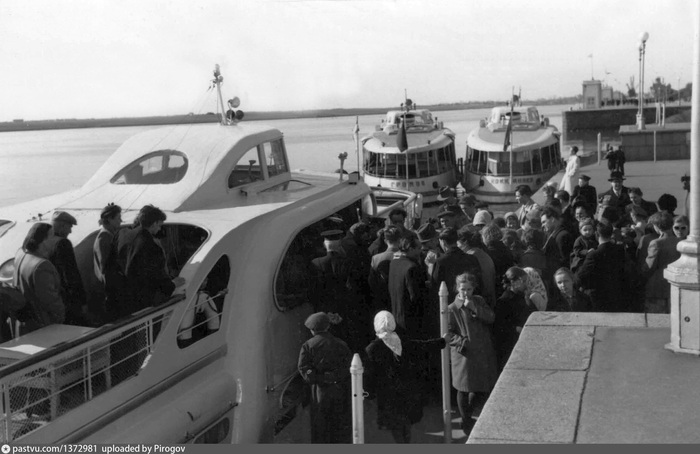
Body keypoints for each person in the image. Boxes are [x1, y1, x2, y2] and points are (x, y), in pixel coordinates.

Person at [364, 310, 445, 443]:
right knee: (405, 425)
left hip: (388, 395)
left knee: (396, 426)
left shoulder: (372, 349)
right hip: (406, 392)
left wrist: (368, 393)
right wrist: (442, 341)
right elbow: (423, 346)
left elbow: (369, 375)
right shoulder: (402, 341)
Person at [448, 273, 497, 438]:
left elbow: (491, 317)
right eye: (463, 289)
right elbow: (448, 333)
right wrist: (463, 342)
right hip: (465, 355)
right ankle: (466, 419)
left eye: (469, 289)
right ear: (457, 288)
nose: (466, 293)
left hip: (482, 352)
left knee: (479, 387)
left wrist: (475, 309)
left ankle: (468, 415)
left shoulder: (479, 301)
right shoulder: (452, 308)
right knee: (464, 387)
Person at [117, 205, 186, 317]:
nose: (159, 229)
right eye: (159, 225)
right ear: (154, 223)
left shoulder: (122, 234)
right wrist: (173, 284)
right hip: (143, 302)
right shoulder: (151, 246)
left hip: (123, 297)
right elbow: (157, 275)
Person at [298, 312, 352, 444]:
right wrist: (334, 376)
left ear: (312, 330)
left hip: (319, 391)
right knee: (338, 423)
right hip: (339, 389)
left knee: (320, 426)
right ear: (328, 327)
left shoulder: (308, 346)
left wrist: (317, 377)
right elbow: (348, 367)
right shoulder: (341, 344)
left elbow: (304, 368)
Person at [13, 223, 65, 334]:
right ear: (43, 240)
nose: (55, 239)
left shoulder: (21, 254)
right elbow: (50, 301)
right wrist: (61, 319)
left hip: (26, 324)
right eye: (52, 236)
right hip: (45, 327)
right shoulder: (42, 266)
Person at [575, 222, 628, 312]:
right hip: (617, 293)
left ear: (596, 234)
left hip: (599, 297)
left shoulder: (594, 254)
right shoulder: (620, 249)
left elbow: (581, 275)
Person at [493, 267, 538, 372]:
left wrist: (528, 302)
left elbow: (535, 315)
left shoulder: (524, 297)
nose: (526, 284)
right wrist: (515, 329)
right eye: (524, 281)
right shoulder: (504, 301)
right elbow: (499, 327)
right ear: (514, 282)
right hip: (511, 346)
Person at [47, 211, 86, 325]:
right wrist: (82, 301)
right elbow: (71, 275)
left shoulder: (46, 242)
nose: (70, 231)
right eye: (69, 227)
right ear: (62, 226)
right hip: (68, 299)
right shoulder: (63, 243)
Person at [388, 237, 428, 337]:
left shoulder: (394, 263)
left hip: (396, 316)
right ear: (411, 249)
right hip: (410, 319)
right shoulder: (412, 267)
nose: (421, 250)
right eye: (418, 248)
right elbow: (416, 296)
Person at [642, 212, 681, 313]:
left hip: (657, 287)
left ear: (657, 226)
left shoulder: (656, 243)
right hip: (674, 285)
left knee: (656, 318)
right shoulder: (679, 241)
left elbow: (649, 266)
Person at [93, 203, 124, 324]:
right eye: (118, 218)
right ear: (110, 219)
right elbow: (105, 268)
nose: (121, 221)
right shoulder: (104, 237)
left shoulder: (109, 235)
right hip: (110, 291)